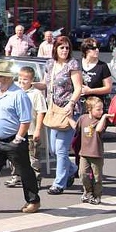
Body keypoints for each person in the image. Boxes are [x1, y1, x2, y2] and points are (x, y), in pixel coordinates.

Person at [0, 61, 40, 214]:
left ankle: (33, 201)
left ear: (7, 78)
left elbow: (25, 120)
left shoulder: (19, 95)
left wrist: (18, 138)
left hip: (12, 139)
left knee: (24, 171)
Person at [35, 35, 82, 195]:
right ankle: (72, 169)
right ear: (55, 48)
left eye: (67, 48)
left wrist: (71, 103)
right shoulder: (50, 64)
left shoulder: (72, 65)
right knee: (54, 149)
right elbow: (45, 84)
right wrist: (31, 84)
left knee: (61, 148)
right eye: (62, 47)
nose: (65, 50)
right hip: (53, 110)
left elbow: (78, 88)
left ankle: (59, 183)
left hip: (68, 111)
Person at [6, 66, 46, 189]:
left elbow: (40, 112)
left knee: (32, 156)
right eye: (20, 79)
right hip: (16, 130)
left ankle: (35, 178)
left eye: (26, 80)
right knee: (15, 154)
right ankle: (16, 176)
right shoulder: (15, 92)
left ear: (32, 80)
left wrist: (38, 129)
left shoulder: (36, 94)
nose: (22, 82)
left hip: (31, 130)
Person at [68, 96, 109, 205]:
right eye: (98, 109)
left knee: (97, 177)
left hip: (96, 153)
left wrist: (104, 117)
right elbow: (76, 127)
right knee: (83, 174)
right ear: (89, 109)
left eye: (102, 109)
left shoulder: (101, 121)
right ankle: (88, 192)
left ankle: (97, 195)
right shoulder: (83, 118)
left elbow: (99, 130)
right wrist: (69, 118)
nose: (101, 111)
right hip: (84, 153)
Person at [80, 38, 113, 110]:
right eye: (94, 48)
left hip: (96, 106)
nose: (97, 50)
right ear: (86, 50)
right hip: (79, 105)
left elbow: (108, 88)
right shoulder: (77, 64)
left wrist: (90, 91)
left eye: (98, 47)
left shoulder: (102, 66)